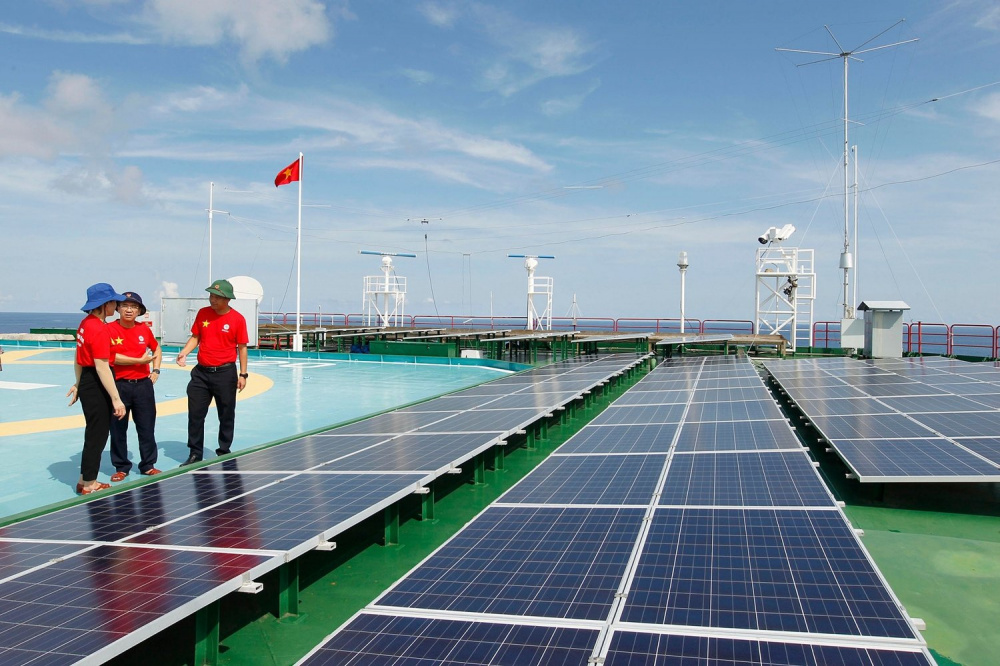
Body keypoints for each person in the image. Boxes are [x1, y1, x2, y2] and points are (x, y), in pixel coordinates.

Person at [175, 279, 249, 465]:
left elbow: (242, 348)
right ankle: (195, 452)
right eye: (211, 296)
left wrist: (243, 374)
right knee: (195, 414)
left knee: (226, 414)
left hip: (225, 373)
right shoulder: (203, 313)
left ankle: (224, 450)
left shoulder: (237, 319)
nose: (212, 300)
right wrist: (184, 352)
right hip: (201, 373)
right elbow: (196, 337)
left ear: (228, 299)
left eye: (217, 297)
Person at [67, 283, 127, 494]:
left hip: (87, 380)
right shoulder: (99, 328)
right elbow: (102, 367)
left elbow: (78, 357)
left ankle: (84, 479)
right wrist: (116, 399)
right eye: (114, 302)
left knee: (93, 432)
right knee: (98, 434)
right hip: (96, 382)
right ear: (104, 304)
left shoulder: (85, 324)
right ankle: (89, 484)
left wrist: (78, 382)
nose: (116, 306)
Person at [107, 291, 162, 480]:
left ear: (139, 311)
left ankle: (148, 465)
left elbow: (156, 348)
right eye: (125, 306)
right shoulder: (109, 329)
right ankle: (121, 467)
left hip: (143, 386)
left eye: (134, 307)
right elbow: (109, 357)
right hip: (118, 386)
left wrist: (156, 370)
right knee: (117, 428)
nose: (129, 310)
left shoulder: (143, 329)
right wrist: (139, 361)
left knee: (146, 427)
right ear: (118, 308)